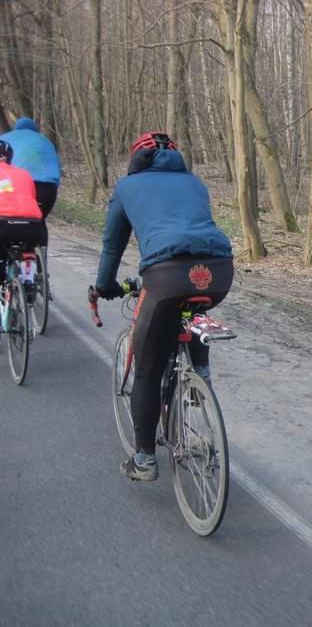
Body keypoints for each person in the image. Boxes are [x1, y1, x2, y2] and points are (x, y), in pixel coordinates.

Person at [94, 132, 233, 482]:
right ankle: (200, 378)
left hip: (166, 276)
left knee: (147, 369)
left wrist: (105, 285)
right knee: (192, 312)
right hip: (218, 273)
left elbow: (112, 244)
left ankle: (143, 459)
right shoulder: (196, 184)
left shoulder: (128, 187)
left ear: (134, 160)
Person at [0, 140, 46, 282]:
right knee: (28, 248)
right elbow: (32, 197)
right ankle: (29, 282)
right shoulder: (24, 173)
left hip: (4, 224)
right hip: (32, 225)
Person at [0, 117, 62, 218]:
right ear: (34, 129)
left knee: (7, 218)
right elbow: (57, 166)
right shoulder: (46, 142)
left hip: (16, 185)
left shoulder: (5, 139)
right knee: (37, 222)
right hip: (47, 187)